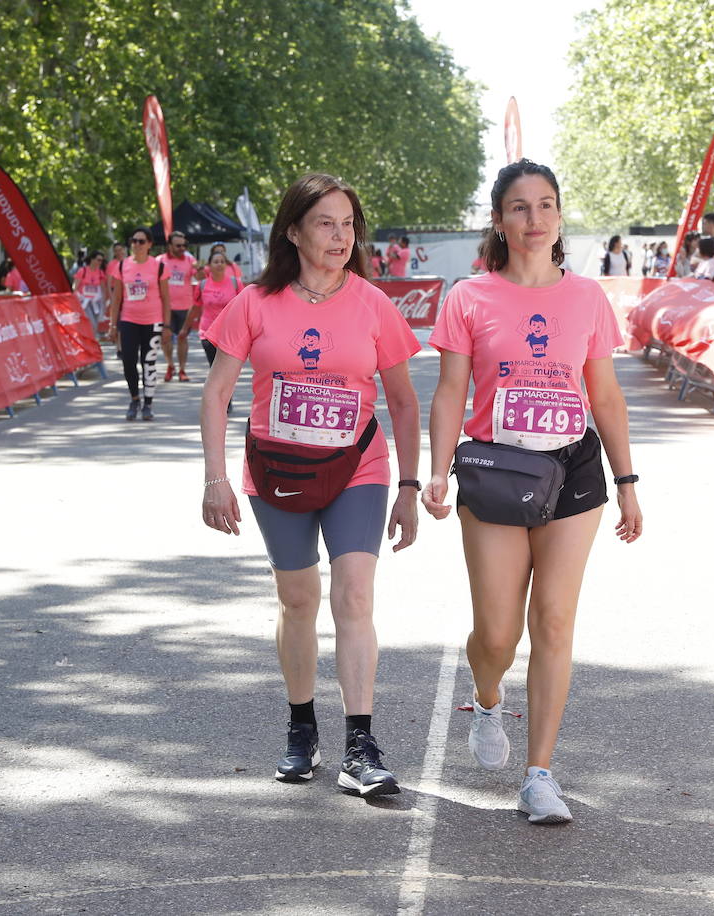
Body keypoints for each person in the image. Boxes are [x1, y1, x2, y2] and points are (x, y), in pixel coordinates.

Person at [422, 159, 641, 825]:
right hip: (493, 468)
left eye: (546, 205)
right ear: (499, 219)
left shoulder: (587, 299)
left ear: (558, 217)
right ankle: (488, 697)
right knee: (496, 631)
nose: (534, 219)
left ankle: (539, 775)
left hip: (573, 468)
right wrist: (436, 470)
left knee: (552, 620)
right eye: (520, 207)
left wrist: (627, 482)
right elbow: (452, 390)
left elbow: (603, 394)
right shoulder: (469, 297)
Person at [200, 173, 421, 797]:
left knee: (354, 597)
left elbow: (403, 403)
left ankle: (360, 744)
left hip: (358, 467)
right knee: (298, 600)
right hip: (278, 472)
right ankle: (302, 728)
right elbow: (217, 392)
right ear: (293, 231)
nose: (340, 235)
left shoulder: (374, 304)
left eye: (348, 223)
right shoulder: (254, 302)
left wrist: (408, 486)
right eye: (325, 222)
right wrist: (215, 479)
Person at [108, 228, 170, 420]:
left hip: (153, 321)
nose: (137, 245)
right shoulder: (121, 266)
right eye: (134, 241)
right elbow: (116, 298)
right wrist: (112, 325)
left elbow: (166, 298)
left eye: (141, 241)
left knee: (148, 363)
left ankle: (148, 404)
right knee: (128, 361)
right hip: (128, 320)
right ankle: (135, 399)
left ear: (149, 244)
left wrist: (167, 326)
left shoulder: (158, 266)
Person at [193, 250, 242, 411]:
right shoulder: (202, 285)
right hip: (207, 333)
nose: (219, 264)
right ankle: (219, 400)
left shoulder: (234, 283)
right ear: (209, 266)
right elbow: (196, 307)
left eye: (222, 261)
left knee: (227, 369)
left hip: (229, 334)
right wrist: (186, 328)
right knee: (214, 368)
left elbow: (245, 306)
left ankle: (227, 397)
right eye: (216, 261)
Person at [158, 231, 197, 382]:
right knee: (165, 339)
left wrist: (200, 269)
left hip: (185, 306)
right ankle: (170, 365)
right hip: (164, 307)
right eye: (178, 245)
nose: (182, 248)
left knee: (182, 338)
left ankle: (182, 369)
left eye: (184, 245)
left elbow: (199, 276)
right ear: (169, 246)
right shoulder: (159, 261)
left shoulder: (189, 259)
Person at [73, 252, 106, 326]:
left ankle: (93, 337)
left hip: (96, 302)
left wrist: (104, 302)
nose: (100, 262)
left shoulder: (100, 273)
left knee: (96, 324)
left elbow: (103, 289)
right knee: (91, 323)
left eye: (101, 261)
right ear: (92, 259)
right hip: (85, 302)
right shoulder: (82, 271)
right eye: (98, 260)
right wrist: (77, 298)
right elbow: (75, 287)